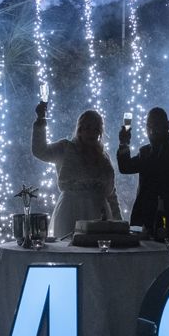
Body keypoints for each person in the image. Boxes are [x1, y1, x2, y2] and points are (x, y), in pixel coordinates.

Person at [32, 102, 122, 238]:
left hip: (100, 214)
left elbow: (111, 194)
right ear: (80, 129)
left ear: (100, 131)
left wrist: (119, 223)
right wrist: (40, 121)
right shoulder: (66, 148)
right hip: (71, 212)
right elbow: (40, 151)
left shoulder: (104, 158)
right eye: (87, 128)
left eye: (96, 128)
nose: (92, 132)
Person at [117, 107, 169, 240]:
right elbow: (125, 167)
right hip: (147, 219)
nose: (151, 130)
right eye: (148, 126)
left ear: (167, 125)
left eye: (156, 125)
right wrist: (124, 143)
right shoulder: (145, 152)